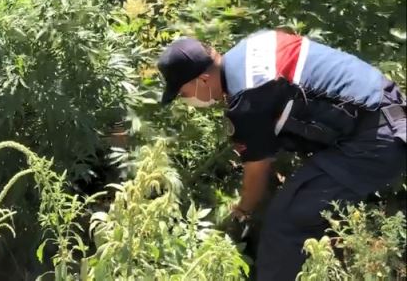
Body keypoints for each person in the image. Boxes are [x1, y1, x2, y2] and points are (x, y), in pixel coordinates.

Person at [157, 29, 407, 281]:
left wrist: (242, 211)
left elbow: (257, 171)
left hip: (376, 139)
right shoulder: (252, 47)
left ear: (202, 80)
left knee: (286, 221)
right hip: (386, 112)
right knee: (310, 208)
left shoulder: (246, 98)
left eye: (183, 94)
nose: (187, 100)